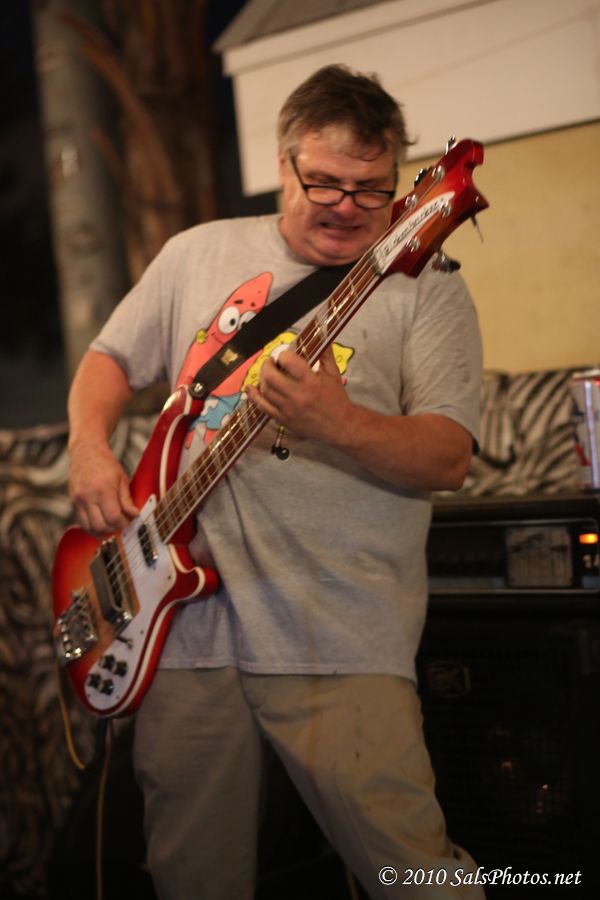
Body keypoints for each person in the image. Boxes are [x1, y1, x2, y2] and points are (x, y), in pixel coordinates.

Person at [67, 65, 485, 899]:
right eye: (324, 181)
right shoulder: (197, 252)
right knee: (192, 878)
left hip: (338, 630)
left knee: (415, 875)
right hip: (181, 634)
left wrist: (340, 422)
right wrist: (87, 447)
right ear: (283, 162)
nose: (347, 206)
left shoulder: (429, 288)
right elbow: (108, 358)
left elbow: (449, 456)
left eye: (371, 189)